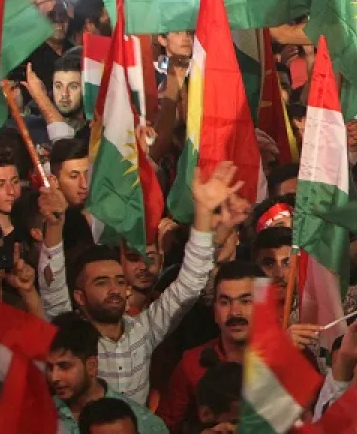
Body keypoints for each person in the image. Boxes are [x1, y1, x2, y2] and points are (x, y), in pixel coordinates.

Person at [38, 163, 235, 403]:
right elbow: (53, 290)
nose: (114, 290)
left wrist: (203, 214)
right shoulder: (71, 339)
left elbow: (190, 283)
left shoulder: (143, 330)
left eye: (119, 281)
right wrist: (55, 225)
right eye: (101, 283)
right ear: (79, 297)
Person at [157, 261, 262, 430]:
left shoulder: (288, 361)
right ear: (214, 311)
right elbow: (162, 429)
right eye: (225, 302)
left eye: (246, 301)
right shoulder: (192, 364)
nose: (235, 312)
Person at [46, 314, 166, 434]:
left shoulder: (145, 425)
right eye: (49, 367)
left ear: (91, 366)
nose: (54, 377)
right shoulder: (37, 417)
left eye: (64, 366)